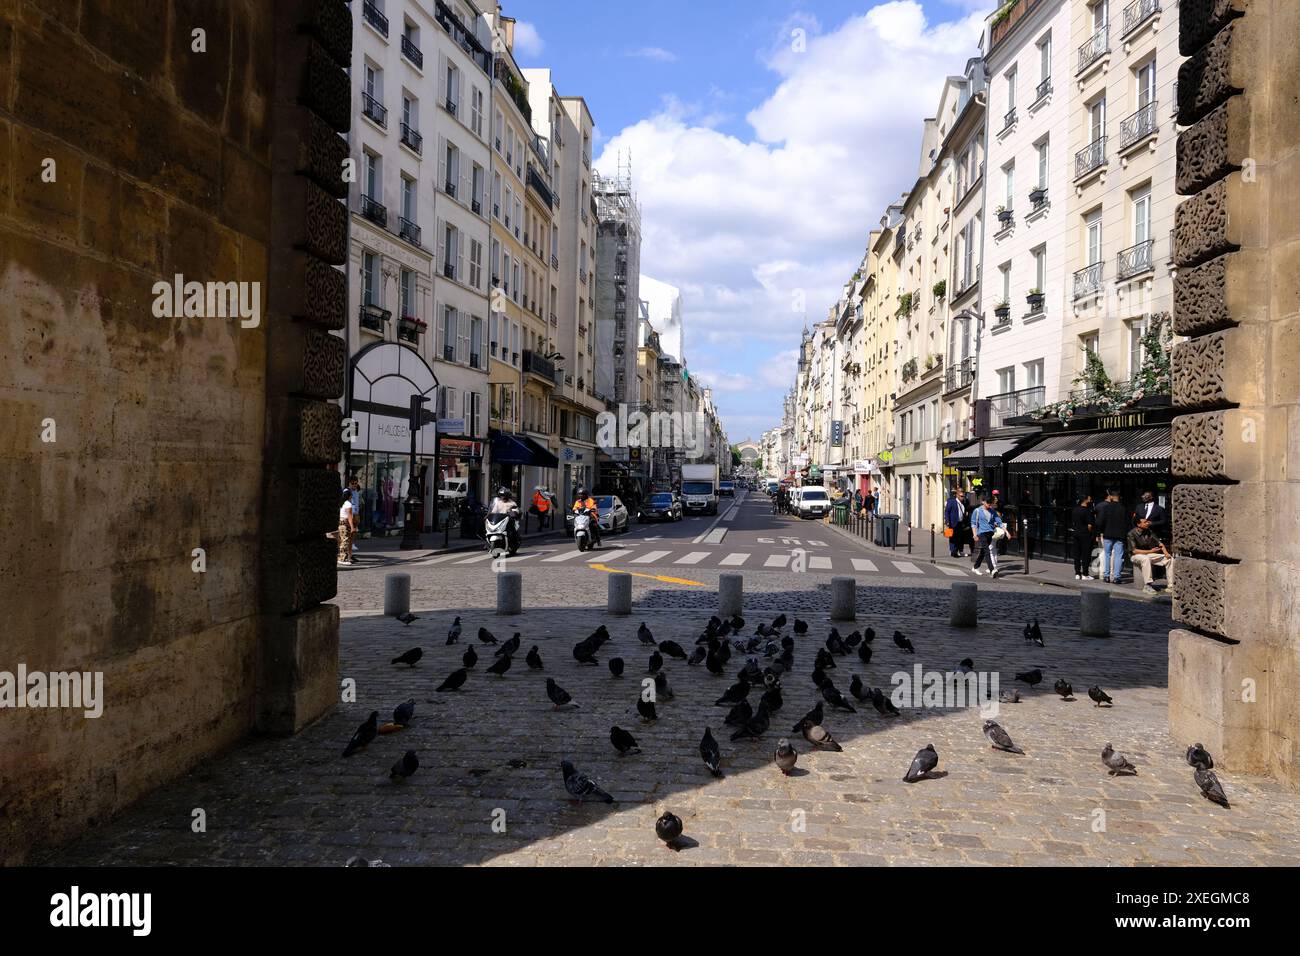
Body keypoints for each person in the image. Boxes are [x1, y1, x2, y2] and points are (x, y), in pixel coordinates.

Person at [1128, 518, 1175, 596]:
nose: (1147, 523)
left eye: (1147, 522)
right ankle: (1148, 585)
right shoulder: (1131, 534)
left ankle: (1171, 585)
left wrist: (1166, 553)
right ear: (1138, 524)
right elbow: (1134, 551)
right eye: (1145, 522)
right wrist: (1151, 551)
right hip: (1135, 556)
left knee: (1169, 559)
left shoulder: (1149, 531)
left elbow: (1160, 543)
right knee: (1145, 559)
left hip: (1148, 554)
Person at [1094, 489, 1130, 584]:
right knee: (1118, 556)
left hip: (1107, 534)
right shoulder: (1123, 508)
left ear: (1111, 497)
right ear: (1119, 497)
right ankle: (1117, 577)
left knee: (1107, 554)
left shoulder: (1106, 508)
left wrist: (1099, 532)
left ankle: (1106, 576)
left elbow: (1099, 522)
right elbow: (1127, 523)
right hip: (1119, 535)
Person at [970, 496, 1004, 577]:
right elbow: (973, 523)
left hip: (990, 533)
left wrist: (1006, 532)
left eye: (990, 503)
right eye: (988, 503)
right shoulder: (977, 511)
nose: (989, 505)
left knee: (983, 552)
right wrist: (974, 534)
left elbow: (999, 522)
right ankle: (992, 570)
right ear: (983, 502)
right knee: (987, 550)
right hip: (981, 533)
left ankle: (975, 567)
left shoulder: (992, 511)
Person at [1070, 494, 1097, 580]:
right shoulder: (1087, 511)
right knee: (1086, 554)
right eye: (1089, 498)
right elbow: (1090, 525)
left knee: (1077, 554)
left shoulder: (1075, 510)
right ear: (1085, 500)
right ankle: (1085, 574)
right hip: (1085, 534)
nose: (1090, 500)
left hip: (1076, 533)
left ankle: (1077, 573)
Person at [488, 486, 521, 552]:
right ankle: (487, 543)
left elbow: (516, 510)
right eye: (502, 496)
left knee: (512, 529)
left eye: (504, 496)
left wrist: (513, 512)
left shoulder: (512, 503)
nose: (503, 497)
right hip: (499, 520)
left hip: (508, 520)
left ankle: (514, 542)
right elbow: (493, 511)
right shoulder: (498, 503)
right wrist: (489, 515)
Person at [943, 488, 966, 559]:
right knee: (952, 537)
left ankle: (958, 550)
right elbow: (947, 512)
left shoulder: (964, 502)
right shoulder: (951, 502)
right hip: (952, 523)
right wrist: (947, 521)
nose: (962, 498)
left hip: (960, 523)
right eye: (961, 496)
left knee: (959, 538)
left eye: (963, 496)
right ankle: (953, 551)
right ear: (957, 495)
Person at [337, 487, 356, 566]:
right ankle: (343, 559)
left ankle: (341, 557)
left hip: (340, 523)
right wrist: (352, 527)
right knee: (345, 541)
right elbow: (350, 516)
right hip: (345, 524)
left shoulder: (342, 503)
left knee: (341, 541)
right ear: (349, 496)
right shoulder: (348, 504)